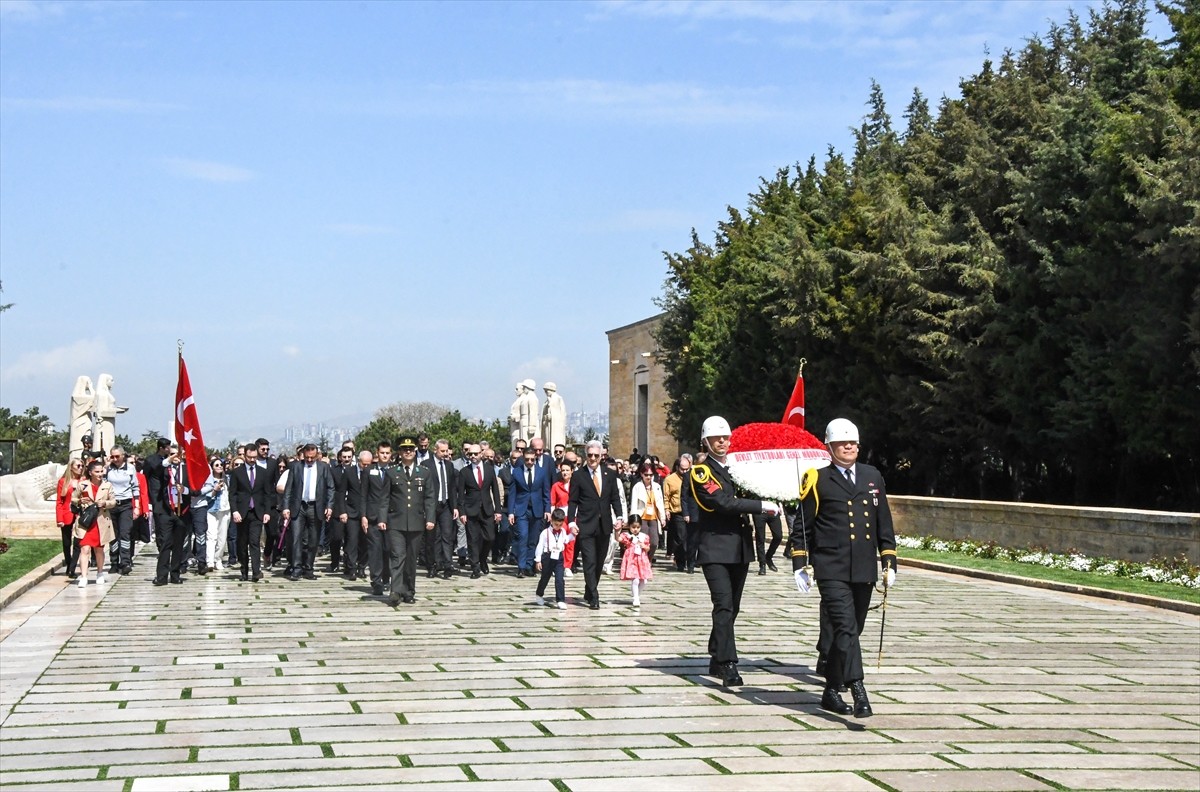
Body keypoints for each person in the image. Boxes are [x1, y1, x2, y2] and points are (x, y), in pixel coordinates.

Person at [790, 418, 897, 718]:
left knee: (851, 631)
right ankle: (858, 690)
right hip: (831, 568)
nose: (848, 447)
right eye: (842, 443)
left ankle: (830, 690)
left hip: (863, 568)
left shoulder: (872, 475)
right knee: (845, 627)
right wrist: (800, 564)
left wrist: (889, 560)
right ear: (829, 447)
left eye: (852, 443)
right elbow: (803, 527)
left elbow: (883, 523)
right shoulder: (817, 478)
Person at [690, 416, 781, 687]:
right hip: (716, 547)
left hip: (739, 547)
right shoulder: (701, 472)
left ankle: (716, 654)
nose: (722, 442)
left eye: (725, 437)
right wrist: (761, 506)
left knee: (733, 607)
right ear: (705, 442)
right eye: (716, 438)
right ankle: (729, 664)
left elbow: (753, 488)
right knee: (724, 604)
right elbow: (724, 503)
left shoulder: (736, 469)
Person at [372, 436, 436, 605]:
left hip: (416, 521)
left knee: (411, 559)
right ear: (399, 452)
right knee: (397, 556)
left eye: (410, 449)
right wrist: (382, 518)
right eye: (404, 449)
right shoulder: (392, 472)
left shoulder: (424, 472)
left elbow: (430, 498)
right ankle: (395, 590)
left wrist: (430, 518)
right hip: (396, 522)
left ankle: (408, 591)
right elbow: (385, 498)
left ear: (415, 452)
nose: (408, 452)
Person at [567, 439, 626, 610]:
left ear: (601, 456)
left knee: (600, 561)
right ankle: (594, 596)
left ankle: (589, 588)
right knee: (589, 560)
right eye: (590, 455)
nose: (592, 458)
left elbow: (615, 498)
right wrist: (571, 521)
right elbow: (573, 501)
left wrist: (620, 517)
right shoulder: (578, 475)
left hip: (604, 524)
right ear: (586, 455)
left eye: (596, 455)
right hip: (585, 524)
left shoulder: (610, 475)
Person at [282, 444, 335, 581]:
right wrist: (286, 507)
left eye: (312, 457)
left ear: (317, 455)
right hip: (298, 506)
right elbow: (288, 488)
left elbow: (330, 487)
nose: (310, 460)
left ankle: (308, 568)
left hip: (315, 506)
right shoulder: (296, 467)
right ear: (303, 455)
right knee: (296, 538)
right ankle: (296, 568)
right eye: (307, 457)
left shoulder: (323, 467)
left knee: (313, 539)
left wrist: (329, 506)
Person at [228, 443, 274, 582]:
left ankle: (256, 571)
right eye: (250, 457)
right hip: (242, 512)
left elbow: (267, 494)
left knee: (254, 542)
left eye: (255, 457)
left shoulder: (263, 472)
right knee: (242, 543)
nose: (252, 460)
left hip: (257, 512)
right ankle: (244, 570)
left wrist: (267, 512)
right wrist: (234, 511)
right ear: (245, 456)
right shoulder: (237, 472)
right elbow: (232, 494)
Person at [455, 443, 502, 579]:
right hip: (471, 510)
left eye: (475, 454)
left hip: (487, 509)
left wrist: (498, 510)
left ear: (481, 454)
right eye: (470, 454)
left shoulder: (489, 470)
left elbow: (495, 491)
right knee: (473, 540)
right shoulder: (464, 472)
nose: (473, 456)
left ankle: (482, 559)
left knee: (490, 537)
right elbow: (461, 495)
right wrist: (462, 512)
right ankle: (475, 567)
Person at [149, 445, 192, 586]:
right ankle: (161, 576)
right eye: (172, 454)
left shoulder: (187, 470)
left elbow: (196, 489)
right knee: (165, 543)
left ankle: (175, 574)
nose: (175, 457)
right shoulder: (163, 469)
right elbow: (153, 471)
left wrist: (185, 490)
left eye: (178, 454)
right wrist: (168, 461)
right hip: (165, 511)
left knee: (179, 544)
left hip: (182, 511)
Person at [507, 445, 552, 578]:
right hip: (522, 509)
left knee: (533, 539)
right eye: (527, 459)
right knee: (523, 536)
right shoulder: (517, 472)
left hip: (537, 509)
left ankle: (528, 565)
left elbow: (546, 492)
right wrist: (511, 512)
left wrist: (547, 509)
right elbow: (512, 493)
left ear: (535, 459)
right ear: (523, 459)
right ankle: (521, 567)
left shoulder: (542, 472)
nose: (530, 462)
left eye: (532, 459)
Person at [72, 460, 117, 587]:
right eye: (97, 472)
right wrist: (80, 501)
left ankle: (100, 573)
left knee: (99, 549)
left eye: (101, 471)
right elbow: (73, 498)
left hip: (100, 521)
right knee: (84, 548)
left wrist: (105, 503)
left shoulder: (107, 485)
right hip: (86, 522)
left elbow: (113, 501)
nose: (100, 474)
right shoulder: (83, 485)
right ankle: (84, 576)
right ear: (90, 472)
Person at [425, 439, 459, 580]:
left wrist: (455, 507)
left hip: (446, 505)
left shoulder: (449, 465)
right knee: (432, 537)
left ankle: (447, 565)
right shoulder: (426, 465)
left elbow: (452, 488)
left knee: (447, 536)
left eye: (446, 451)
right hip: (432, 505)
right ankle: (432, 565)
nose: (445, 453)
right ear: (435, 450)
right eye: (442, 451)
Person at [104, 446, 140, 575]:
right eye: (112, 456)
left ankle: (125, 562)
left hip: (125, 504)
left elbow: (135, 487)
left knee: (125, 533)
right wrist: (105, 467)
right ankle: (114, 562)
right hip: (112, 504)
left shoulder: (130, 468)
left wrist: (137, 506)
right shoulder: (108, 468)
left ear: (123, 456)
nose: (115, 459)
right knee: (113, 535)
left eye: (117, 456)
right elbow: (102, 484)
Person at [533, 508, 573, 609]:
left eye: (560, 525)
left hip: (559, 556)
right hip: (548, 556)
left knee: (560, 579)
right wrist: (538, 560)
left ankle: (560, 599)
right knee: (545, 577)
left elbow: (566, 540)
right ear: (551, 521)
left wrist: (572, 535)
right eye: (556, 524)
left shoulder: (562, 531)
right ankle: (539, 594)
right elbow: (540, 546)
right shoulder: (545, 532)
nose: (558, 527)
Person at [629, 462, 666, 565]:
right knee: (642, 541)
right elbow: (634, 504)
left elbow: (660, 503)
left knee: (654, 542)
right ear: (641, 474)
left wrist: (662, 518)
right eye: (646, 475)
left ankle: (648, 559)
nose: (648, 477)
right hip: (642, 517)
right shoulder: (637, 486)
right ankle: (642, 562)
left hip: (654, 517)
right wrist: (633, 519)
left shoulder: (657, 486)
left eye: (650, 475)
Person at [56, 459, 86, 578]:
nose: (80, 468)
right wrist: (59, 519)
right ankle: (68, 564)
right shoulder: (63, 482)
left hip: (80, 514)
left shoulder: (84, 481)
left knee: (78, 542)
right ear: (71, 467)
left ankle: (72, 568)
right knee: (66, 542)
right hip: (67, 513)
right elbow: (59, 502)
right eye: (78, 466)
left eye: (82, 466)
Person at [662, 455, 692, 572]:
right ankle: (680, 562)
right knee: (681, 538)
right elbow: (666, 496)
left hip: (690, 511)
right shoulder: (670, 479)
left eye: (687, 469)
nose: (684, 471)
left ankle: (689, 561)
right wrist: (666, 509)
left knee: (690, 538)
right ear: (677, 467)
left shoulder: (692, 477)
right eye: (682, 469)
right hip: (677, 512)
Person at [202, 457, 231, 572]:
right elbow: (206, 497)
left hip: (225, 510)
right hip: (212, 510)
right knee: (211, 536)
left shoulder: (227, 479)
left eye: (221, 465)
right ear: (212, 468)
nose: (219, 467)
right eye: (216, 465)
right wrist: (215, 490)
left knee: (222, 538)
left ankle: (218, 559)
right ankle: (209, 561)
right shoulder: (209, 480)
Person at [619, 518, 653, 608]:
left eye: (638, 527)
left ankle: (636, 594)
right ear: (629, 526)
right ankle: (636, 598)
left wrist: (644, 546)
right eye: (633, 527)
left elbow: (648, 548)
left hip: (642, 559)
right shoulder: (627, 536)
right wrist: (617, 530)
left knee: (644, 581)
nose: (635, 529)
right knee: (635, 579)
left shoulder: (644, 536)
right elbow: (618, 539)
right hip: (632, 559)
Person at [550, 461, 574, 576]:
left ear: (572, 471)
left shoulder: (575, 485)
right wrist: (552, 518)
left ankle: (567, 566)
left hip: (573, 516)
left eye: (567, 470)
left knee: (571, 542)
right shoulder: (556, 486)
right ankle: (557, 566)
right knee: (559, 541)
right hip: (560, 517)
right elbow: (552, 503)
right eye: (563, 470)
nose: (565, 473)